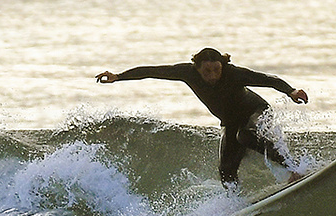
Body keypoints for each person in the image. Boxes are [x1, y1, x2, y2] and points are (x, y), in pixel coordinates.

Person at [96, 48, 309, 186]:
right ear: (197, 68)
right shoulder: (187, 73)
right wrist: (119, 77)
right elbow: (154, 71)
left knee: (245, 136)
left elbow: (267, 79)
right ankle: (236, 204)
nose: (213, 76)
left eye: (216, 70)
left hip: (255, 111)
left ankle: (294, 170)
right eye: (207, 71)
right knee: (225, 171)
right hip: (231, 122)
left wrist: (291, 91)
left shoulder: (233, 73)